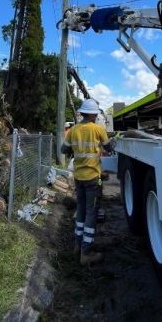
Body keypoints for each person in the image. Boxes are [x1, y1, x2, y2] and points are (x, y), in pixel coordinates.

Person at [61, 98, 113, 266]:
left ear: (82, 113)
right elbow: (109, 148)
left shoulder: (73, 131)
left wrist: (74, 148)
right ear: (94, 114)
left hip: (79, 178)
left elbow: (64, 150)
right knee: (91, 213)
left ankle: (77, 245)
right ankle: (86, 253)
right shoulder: (98, 130)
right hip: (92, 178)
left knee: (82, 210)